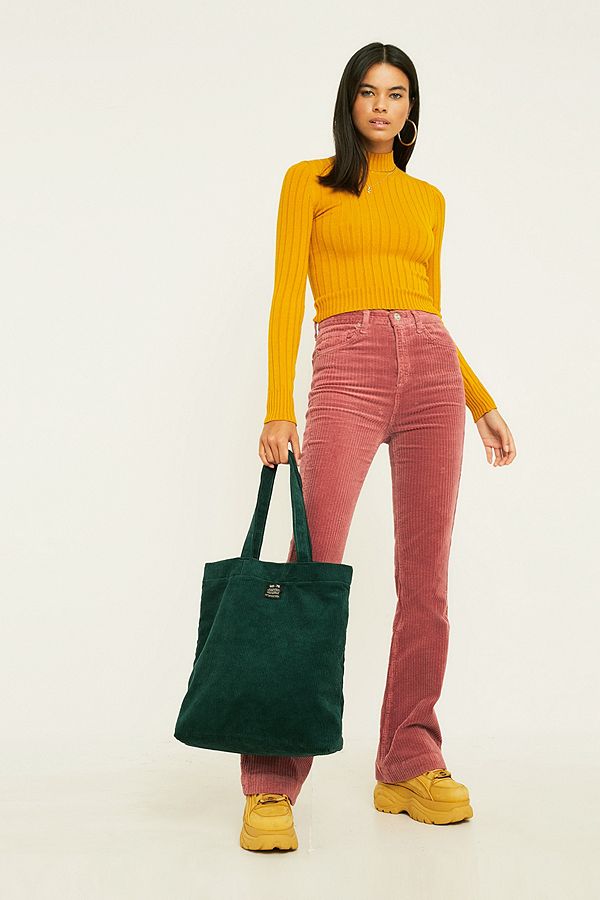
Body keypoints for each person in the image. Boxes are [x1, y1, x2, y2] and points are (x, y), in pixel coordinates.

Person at [239, 42, 516, 852]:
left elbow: (429, 308)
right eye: (369, 92)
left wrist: (480, 401)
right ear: (349, 102)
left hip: (431, 373)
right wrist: (278, 407)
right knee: (310, 566)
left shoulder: (428, 200)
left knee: (426, 579)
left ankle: (407, 760)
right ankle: (272, 780)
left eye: (397, 94)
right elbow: (286, 296)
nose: (382, 106)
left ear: (411, 110)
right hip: (349, 367)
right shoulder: (309, 182)